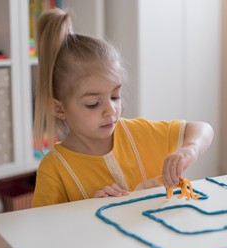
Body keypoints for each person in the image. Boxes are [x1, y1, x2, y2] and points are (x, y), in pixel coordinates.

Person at [31, 8, 214, 207]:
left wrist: (190, 150)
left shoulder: (138, 133)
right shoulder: (54, 170)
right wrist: (90, 211)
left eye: (115, 96)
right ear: (59, 109)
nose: (111, 110)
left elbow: (203, 129)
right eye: (93, 104)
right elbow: (47, 232)